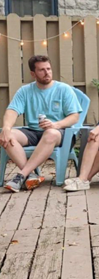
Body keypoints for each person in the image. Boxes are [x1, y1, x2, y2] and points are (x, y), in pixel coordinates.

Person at [1, 55, 82, 192]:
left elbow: (74, 117)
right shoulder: (25, 91)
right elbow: (12, 111)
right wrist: (7, 128)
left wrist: (55, 125)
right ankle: (31, 175)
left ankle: (21, 175)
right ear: (33, 74)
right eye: (42, 70)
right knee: (8, 136)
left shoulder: (63, 89)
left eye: (49, 69)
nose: (47, 73)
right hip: (33, 132)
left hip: (60, 133)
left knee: (50, 133)